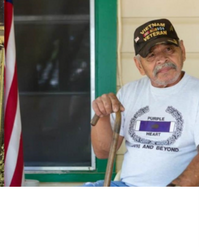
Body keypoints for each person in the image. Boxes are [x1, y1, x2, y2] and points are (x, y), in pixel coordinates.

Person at [85, 18, 199, 187]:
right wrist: (102, 115)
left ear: (182, 50)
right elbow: (103, 152)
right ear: (139, 65)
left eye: (169, 49)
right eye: (151, 55)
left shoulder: (195, 94)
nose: (162, 59)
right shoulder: (129, 92)